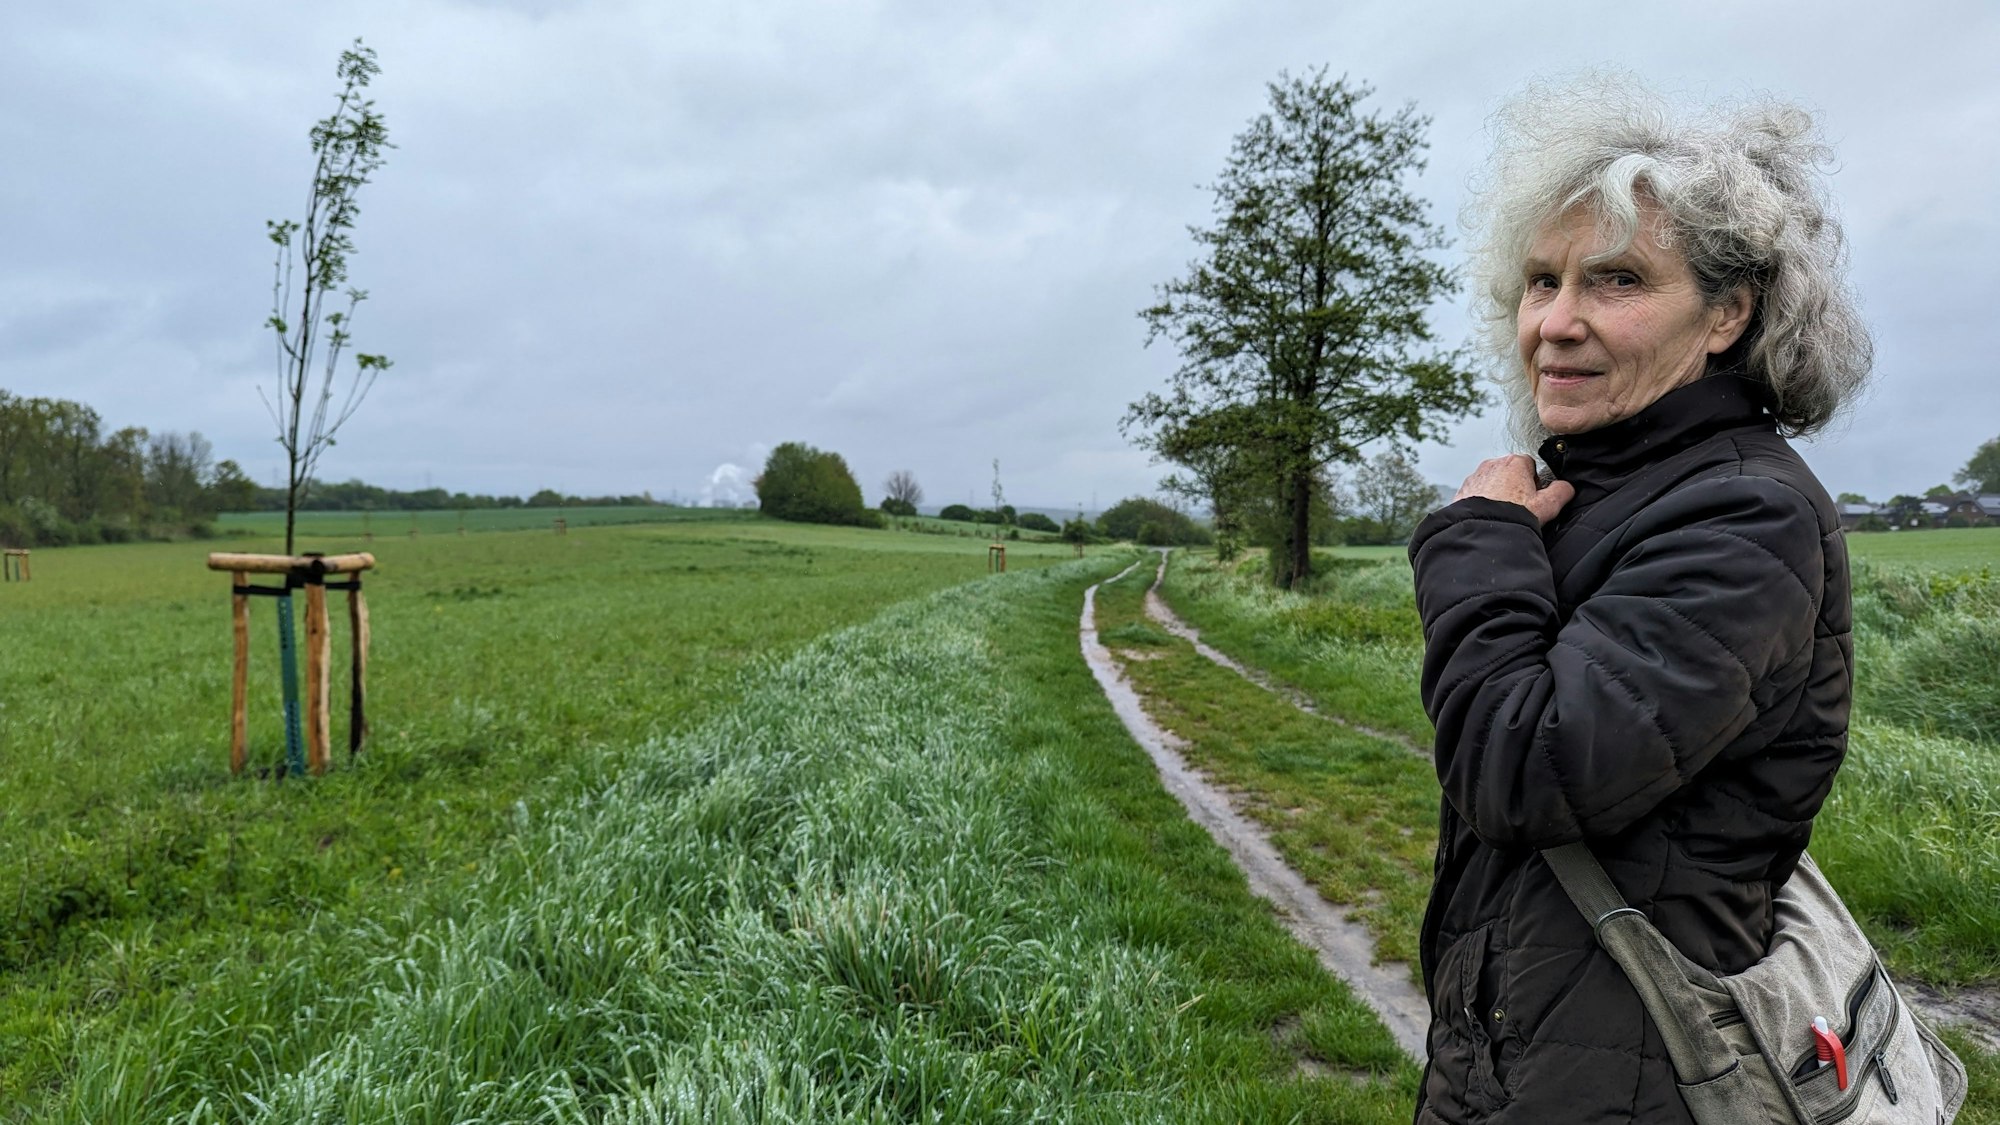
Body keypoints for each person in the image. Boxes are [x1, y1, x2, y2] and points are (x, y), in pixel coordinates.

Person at [1407, 75, 1872, 1123]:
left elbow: (1524, 770)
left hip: (1631, 1074)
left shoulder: (1743, 520)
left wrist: (1475, 546)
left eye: (1614, 281)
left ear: (1726, 314)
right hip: (1526, 1046)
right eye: (1538, 281)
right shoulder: (1613, 486)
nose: (1555, 324)